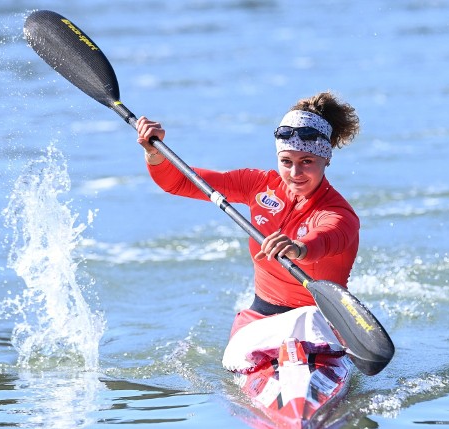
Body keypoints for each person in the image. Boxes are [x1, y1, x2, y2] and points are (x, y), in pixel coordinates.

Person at [136, 91, 361, 341]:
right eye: (286, 161)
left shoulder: (338, 214)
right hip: (260, 318)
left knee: (306, 333)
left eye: (306, 161)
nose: (295, 172)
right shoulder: (257, 185)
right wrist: (154, 153)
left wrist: (298, 248)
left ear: (325, 159)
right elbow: (178, 182)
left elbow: (328, 238)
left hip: (320, 322)